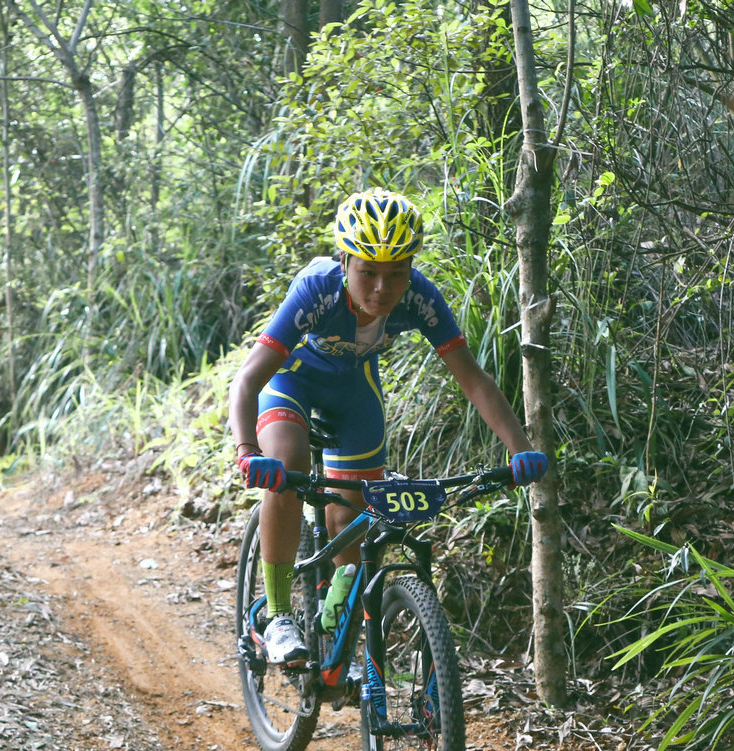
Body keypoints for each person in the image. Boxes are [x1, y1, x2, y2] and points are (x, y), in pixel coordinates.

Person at [228, 188, 548, 665]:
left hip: (354, 392)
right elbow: (249, 378)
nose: (383, 287)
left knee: (352, 509)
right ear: (344, 260)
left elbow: (473, 380)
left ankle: (336, 625)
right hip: (290, 383)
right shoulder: (316, 290)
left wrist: (521, 447)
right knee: (287, 464)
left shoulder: (419, 297)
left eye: (397, 272)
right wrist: (248, 450)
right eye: (368, 271)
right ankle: (277, 616)